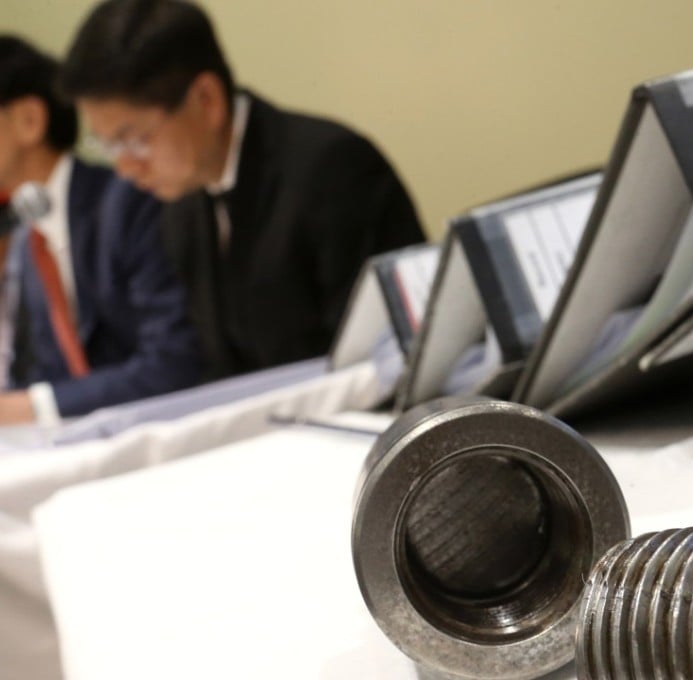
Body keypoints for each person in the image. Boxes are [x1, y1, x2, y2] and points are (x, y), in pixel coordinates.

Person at [59, 0, 426, 381]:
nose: (124, 167)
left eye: (134, 140)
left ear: (207, 100)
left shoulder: (332, 168)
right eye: (108, 146)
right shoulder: (181, 209)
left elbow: (388, 357)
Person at [0, 35, 203, 425]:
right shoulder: (29, 239)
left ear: (29, 120)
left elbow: (171, 361)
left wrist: (29, 406)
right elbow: (47, 370)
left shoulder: (129, 199)